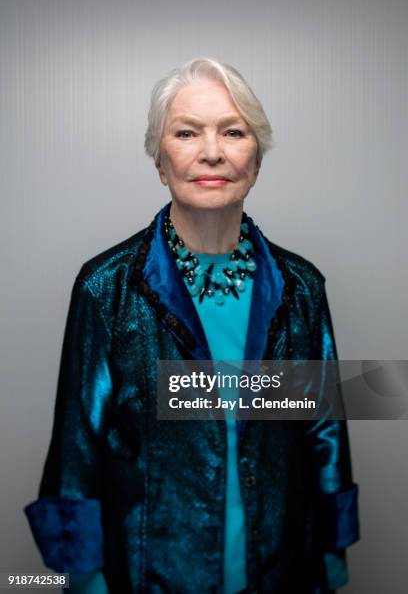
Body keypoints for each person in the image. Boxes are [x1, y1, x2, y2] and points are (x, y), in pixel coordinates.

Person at [24, 57, 359, 593]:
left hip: (280, 569)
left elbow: (322, 431)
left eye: (233, 132)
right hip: (150, 574)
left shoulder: (300, 287)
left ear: (257, 159)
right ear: (161, 161)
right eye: (186, 133)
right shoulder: (106, 289)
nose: (212, 152)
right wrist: (84, 579)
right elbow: (77, 448)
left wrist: (330, 554)